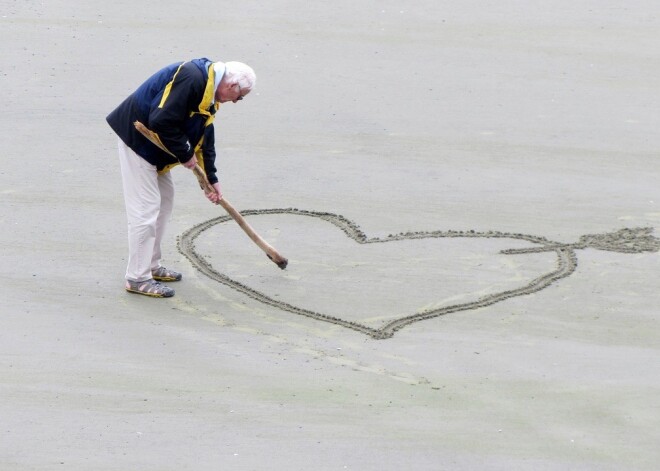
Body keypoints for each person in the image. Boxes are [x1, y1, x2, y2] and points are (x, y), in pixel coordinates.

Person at [106, 58, 256, 298]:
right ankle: (137, 277)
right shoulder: (193, 78)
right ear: (232, 85)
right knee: (145, 210)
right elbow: (160, 120)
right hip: (137, 142)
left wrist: (211, 179)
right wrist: (185, 155)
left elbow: (205, 135)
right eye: (240, 96)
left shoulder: (210, 93)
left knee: (164, 202)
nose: (237, 102)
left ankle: (151, 266)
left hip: (156, 150)